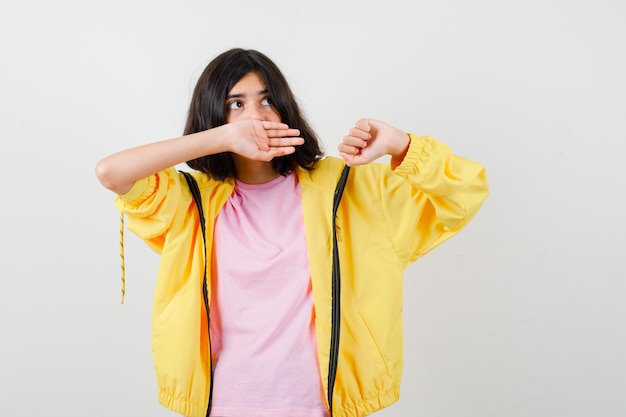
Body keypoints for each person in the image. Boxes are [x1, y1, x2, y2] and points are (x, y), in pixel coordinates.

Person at [95, 48, 489, 417]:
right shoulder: (191, 202)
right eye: (236, 104)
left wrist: (400, 145)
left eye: (267, 100)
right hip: (225, 406)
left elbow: (465, 192)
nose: (257, 115)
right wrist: (222, 138)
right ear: (214, 115)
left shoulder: (348, 189)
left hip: (322, 407)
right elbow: (111, 173)